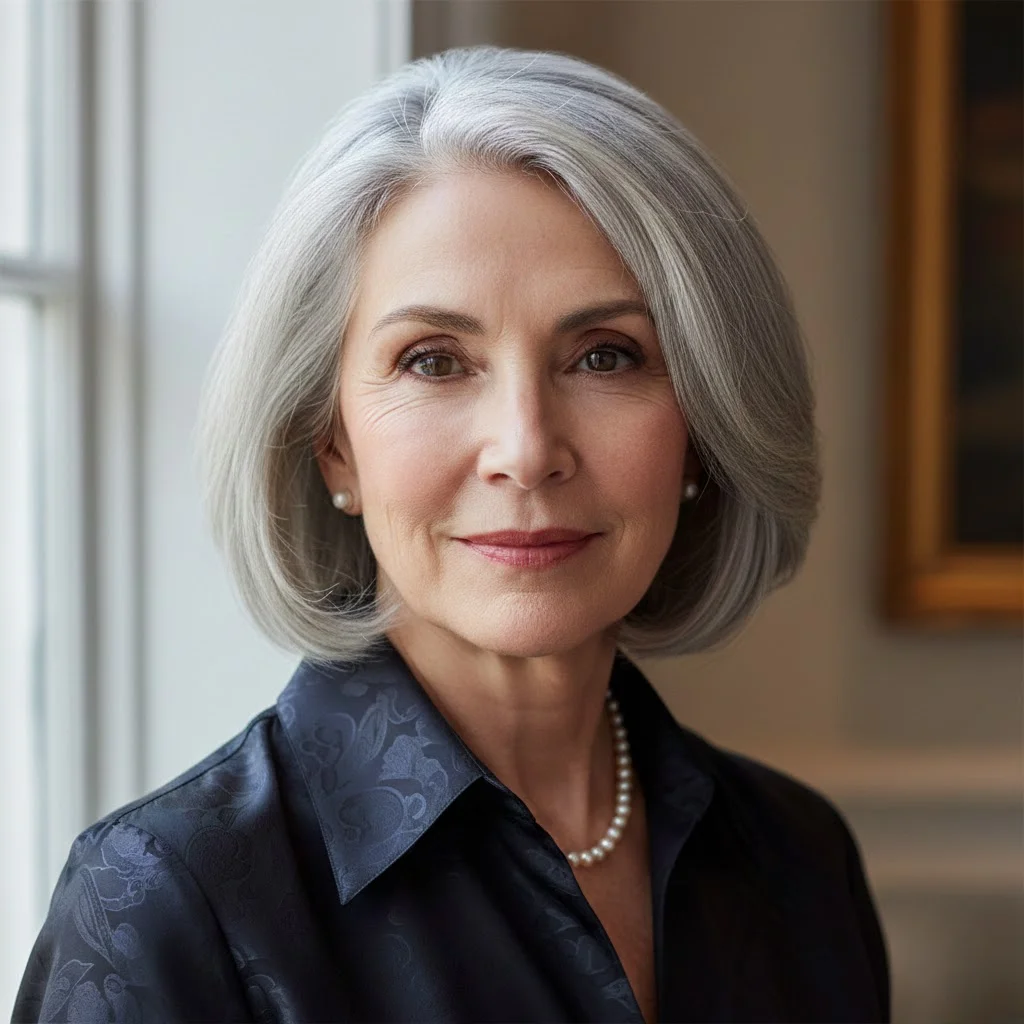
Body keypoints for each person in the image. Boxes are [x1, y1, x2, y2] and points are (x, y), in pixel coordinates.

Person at [13, 45, 889, 1023]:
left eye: (605, 354)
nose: (525, 449)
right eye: (433, 361)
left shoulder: (798, 860)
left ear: (701, 428)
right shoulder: (163, 903)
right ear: (331, 443)